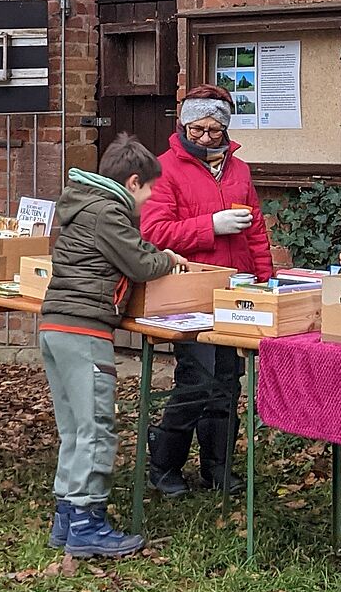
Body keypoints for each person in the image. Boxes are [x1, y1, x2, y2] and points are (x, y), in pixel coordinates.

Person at [38, 134, 187, 558]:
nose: (148, 201)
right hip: (84, 332)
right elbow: (139, 261)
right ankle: (88, 524)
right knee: (97, 429)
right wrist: (169, 258)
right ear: (134, 182)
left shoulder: (83, 205)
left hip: (56, 327)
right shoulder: (108, 212)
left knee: (74, 431)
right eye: (150, 192)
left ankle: (67, 517)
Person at [140, 85, 273, 496]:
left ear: (226, 130)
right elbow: (153, 232)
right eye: (196, 129)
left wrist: (265, 280)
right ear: (182, 124)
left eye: (214, 131)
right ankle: (164, 464)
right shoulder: (162, 170)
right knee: (197, 379)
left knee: (228, 383)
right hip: (190, 291)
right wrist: (210, 226)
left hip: (235, 289)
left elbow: (256, 231)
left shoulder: (239, 171)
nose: (203, 138)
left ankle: (217, 467)